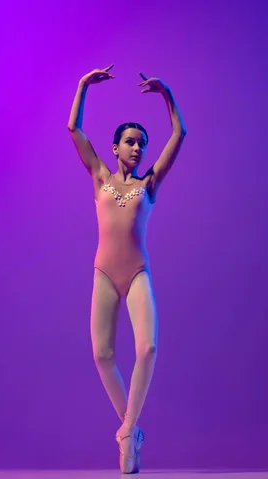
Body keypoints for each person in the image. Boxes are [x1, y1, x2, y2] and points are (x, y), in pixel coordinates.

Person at [67, 64, 186, 474]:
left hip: (136, 272)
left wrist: (166, 93)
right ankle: (130, 432)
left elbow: (180, 136)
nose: (137, 149)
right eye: (131, 143)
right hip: (104, 272)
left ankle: (127, 431)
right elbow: (74, 130)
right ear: (115, 147)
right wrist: (83, 86)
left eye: (142, 144)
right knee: (102, 354)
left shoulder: (149, 184)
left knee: (148, 348)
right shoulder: (99, 178)